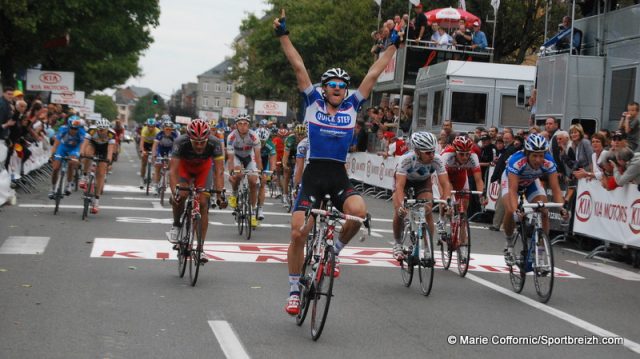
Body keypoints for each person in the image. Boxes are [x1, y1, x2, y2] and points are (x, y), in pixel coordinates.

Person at [275, 8, 397, 315]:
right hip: (315, 174)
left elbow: (373, 72)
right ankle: (292, 290)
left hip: (338, 174)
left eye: (342, 86)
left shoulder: (353, 104)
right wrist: (283, 35)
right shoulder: (312, 101)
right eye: (332, 85)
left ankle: (334, 253)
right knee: (298, 232)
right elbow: (298, 64)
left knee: (358, 214)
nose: (338, 89)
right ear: (324, 87)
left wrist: (394, 44)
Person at [502, 134, 569, 265]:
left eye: (541, 155)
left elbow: (556, 188)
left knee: (543, 211)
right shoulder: (516, 160)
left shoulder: (549, 162)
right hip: (511, 182)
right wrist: (516, 210)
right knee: (510, 211)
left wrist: (562, 208)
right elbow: (513, 190)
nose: (538, 160)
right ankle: (509, 245)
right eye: (534, 156)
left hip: (531, 182)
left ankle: (541, 251)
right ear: (527, 154)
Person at [392, 132, 451, 260]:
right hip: (405, 182)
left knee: (427, 210)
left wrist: (446, 201)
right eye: (427, 153)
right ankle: (397, 243)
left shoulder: (437, 159)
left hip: (423, 182)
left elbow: (446, 184)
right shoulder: (406, 159)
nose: (431, 155)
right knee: (399, 212)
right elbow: (400, 186)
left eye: (433, 151)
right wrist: (402, 205)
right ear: (417, 151)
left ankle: (427, 247)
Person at [168, 119, 226, 245]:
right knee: (181, 196)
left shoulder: (215, 142)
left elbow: (219, 171)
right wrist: (174, 192)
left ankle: (200, 247)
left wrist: (220, 195)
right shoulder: (180, 142)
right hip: (185, 168)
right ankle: (176, 225)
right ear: (189, 139)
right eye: (196, 142)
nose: (199, 146)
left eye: (202, 142)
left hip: (203, 169)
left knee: (203, 204)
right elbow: (173, 171)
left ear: (208, 138)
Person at [438, 136, 486, 260]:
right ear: (455, 151)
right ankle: (441, 220)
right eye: (461, 154)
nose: (465, 157)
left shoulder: (473, 157)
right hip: (445, 176)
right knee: (446, 196)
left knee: (463, 211)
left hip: (460, 176)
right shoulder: (446, 156)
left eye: (467, 154)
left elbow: (478, 179)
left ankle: (463, 245)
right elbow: (442, 183)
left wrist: (482, 194)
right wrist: (446, 199)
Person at [227, 115, 263, 228]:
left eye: (245, 124)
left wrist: (260, 171)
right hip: (236, 157)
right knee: (238, 174)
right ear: (236, 125)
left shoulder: (254, 136)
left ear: (249, 125)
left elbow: (257, 157)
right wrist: (231, 171)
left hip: (249, 156)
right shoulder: (231, 137)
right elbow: (231, 158)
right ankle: (234, 194)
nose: (243, 126)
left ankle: (252, 213)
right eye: (240, 124)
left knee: (253, 182)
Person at [78, 119, 115, 213]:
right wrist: (81, 153)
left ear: (107, 129)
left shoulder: (111, 134)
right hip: (93, 145)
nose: (101, 131)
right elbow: (85, 142)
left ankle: (96, 201)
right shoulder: (92, 130)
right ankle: (85, 176)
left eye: (103, 130)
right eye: (99, 129)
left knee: (101, 173)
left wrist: (109, 161)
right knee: (87, 153)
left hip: (104, 149)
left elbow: (110, 150)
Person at [49, 116, 86, 198]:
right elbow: (56, 144)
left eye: (76, 129)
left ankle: (69, 184)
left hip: (74, 149)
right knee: (55, 168)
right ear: (69, 126)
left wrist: (80, 154)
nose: (74, 130)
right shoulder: (63, 129)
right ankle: (53, 187)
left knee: (71, 163)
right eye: (72, 128)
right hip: (63, 148)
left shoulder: (82, 132)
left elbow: (82, 146)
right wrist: (52, 154)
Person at [282, 124, 306, 207]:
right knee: (287, 174)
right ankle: (285, 195)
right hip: (291, 154)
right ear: (295, 133)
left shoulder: (306, 140)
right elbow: (286, 154)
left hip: (301, 155)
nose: (300, 136)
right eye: (298, 134)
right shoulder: (290, 139)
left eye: (302, 134)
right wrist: (284, 165)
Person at [151, 120, 178, 193]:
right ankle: (156, 185)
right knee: (158, 166)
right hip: (161, 150)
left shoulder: (175, 135)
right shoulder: (159, 134)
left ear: (172, 129)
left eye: (170, 129)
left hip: (170, 150)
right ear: (163, 129)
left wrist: (175, 157)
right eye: (166, 129)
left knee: (171, 164)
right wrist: (154, 155)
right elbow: (154, 146)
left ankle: (166, 176)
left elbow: (176, 147)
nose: (168, 131)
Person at [257, 127, 277, 220]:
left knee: (263, 182)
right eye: (259, 141)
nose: (261, 144)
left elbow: (273, 160)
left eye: (263, 142)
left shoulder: (270, 144)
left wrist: (273, 172)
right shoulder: (251, 142)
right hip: (252, 159)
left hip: (264, 161)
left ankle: (260, 208)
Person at [139, 118, 160, 188]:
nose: (151, 128)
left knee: (155, 161)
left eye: (152, 126)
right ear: (147, 126)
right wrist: (142, 151)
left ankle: (153, 176)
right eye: (149, 126)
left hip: (154, 144)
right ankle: (142, 179)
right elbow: (141, 142)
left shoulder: (157, 131)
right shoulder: (144, 130)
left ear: (155, 126)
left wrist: (157, 153)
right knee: (143, 162)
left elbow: (158, 144)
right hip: (146, 144)